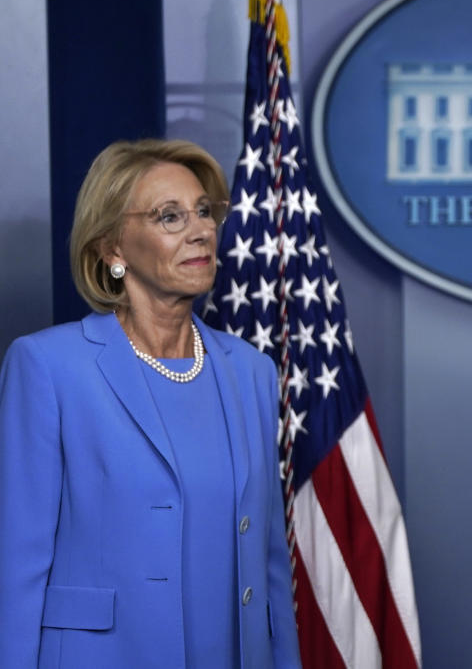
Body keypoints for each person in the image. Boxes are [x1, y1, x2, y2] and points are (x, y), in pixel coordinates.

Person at [0, 139, 301, 668]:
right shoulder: (48, 368)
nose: (200, 230)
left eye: (204, 212)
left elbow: (270, 564)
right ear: (112, 249)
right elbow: (16, 569)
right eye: (170, 216)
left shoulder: (252, 371)